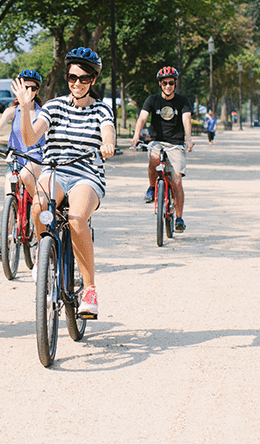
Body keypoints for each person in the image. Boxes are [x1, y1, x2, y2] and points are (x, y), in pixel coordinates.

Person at [14, 47, 115, 318]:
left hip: (87, 174)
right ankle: (42, 255)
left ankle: (90, 289)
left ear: (93, 80)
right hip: (56, 170)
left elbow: (108, 131)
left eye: (83, 78)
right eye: (72, 78)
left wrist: (108, 144)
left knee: (76, 218)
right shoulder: (54, 106)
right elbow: (29, 138)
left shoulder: (101, 109)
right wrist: (25, 108)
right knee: (38, 205)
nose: (77, 83)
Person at [0, 69, 46, 259]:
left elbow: (48, 137)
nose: (29, 91)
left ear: (37, 91)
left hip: (35, 160)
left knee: (36, 200)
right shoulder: (12, 111)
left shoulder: (42, 113)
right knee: (9, 196)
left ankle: (40, 230)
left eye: (33, 88)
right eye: (25, 87)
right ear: (18, 89)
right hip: (15, 159)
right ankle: (7, 241)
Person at [130, 66, 194, 233]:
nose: (168, 86)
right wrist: (137, 136)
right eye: (164, 83)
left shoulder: (183, 101)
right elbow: (142, 117)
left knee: (177, 180)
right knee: (153, 156)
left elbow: (186, 120)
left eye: (171, 83)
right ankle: (152, 187)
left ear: (175, 83)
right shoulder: (152, 100)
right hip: (157, 141)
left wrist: (188, 139)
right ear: (160, 83)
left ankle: (179, 217)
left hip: (176, 144)